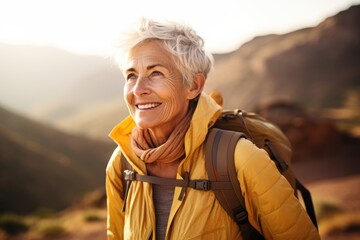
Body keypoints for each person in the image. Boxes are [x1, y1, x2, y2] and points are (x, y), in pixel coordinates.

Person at [105, 18, 320, 240]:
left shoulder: (239, 158)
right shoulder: (122, 163)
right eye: (131, 75)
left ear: (193, 86)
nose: (138, 89)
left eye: (156, 73)